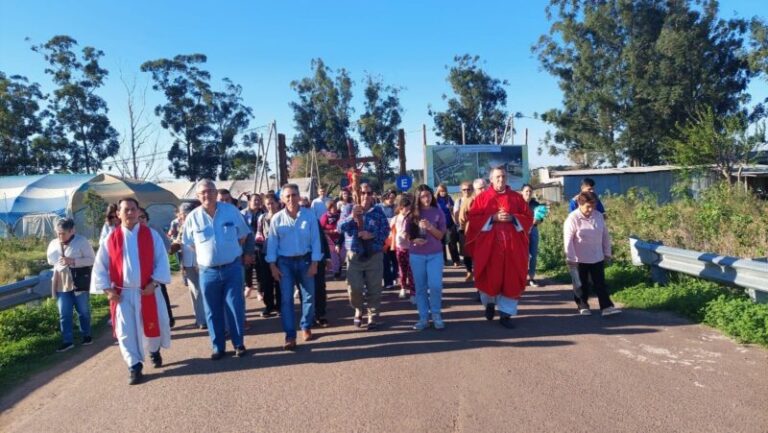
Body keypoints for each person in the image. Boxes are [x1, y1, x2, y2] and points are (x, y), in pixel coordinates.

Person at [91, 198, 172, 385]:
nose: (130, 213)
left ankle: (153, 351)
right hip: (123, 294)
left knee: (153, 324)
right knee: (125, 331)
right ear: (118, 214)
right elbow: (100, 266)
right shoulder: (110, 239)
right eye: (125, 210)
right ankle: (134, 366)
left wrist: (155, 283)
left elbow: (161, 261)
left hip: (147, 291)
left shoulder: (151, 235)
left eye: (133, 209)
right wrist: (107, 289)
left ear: (138, 212)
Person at [182, 179, 250, 360]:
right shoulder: (192, 218)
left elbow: (243, 235)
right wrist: (207, 256)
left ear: (216, 193)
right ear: (197, 196)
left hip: (232, 268)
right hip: (208, 271)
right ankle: (218, 346)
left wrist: (229, 252)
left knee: (235, 307)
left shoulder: (231, 211)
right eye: (203, 192)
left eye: (210, 191)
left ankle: (238, 344)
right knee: (212, 310)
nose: (207, 195)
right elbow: (189, 243)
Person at [465, 166, 533, 329]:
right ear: (491, 179)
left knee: (511, 278)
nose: (501, 180)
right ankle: (489, 304)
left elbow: (528, 218)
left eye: (503, 176)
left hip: (512, 248)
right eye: (497, 177)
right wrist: (492, 218)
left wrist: (514, 218)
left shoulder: (516, 198)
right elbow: (473, 218)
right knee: (490, 277)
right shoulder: (482, 198)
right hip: (490, 248)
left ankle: (505, 314)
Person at [265, 183, 323, 350]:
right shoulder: (276, 218)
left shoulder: (309, 215)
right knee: (286, 300)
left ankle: (305, 325)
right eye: (287, 196)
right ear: (282, 199)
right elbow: (272, 244)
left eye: (294, 195)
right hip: (284, 263)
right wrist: (272, 266)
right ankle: (290, 335)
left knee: (309, 297)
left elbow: (315, 240)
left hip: (305, 261)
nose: (291, 199)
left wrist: (314, 263)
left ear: (299, 196)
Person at [338, 183, 390, 329]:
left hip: (374, 254)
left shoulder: (378, 211)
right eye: (362, 192)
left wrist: (372, 235)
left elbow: (386, 231)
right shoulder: (348, 208)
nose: (366, 195)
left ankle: (372, 314)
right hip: (354, 255)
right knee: (354, 288)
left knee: (374, 287)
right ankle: (358, 308)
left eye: (369, 192)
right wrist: (351, 216)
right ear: (356, 193)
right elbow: (339, 228)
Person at [563, 191, 621, 316]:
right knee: (580, 284)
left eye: (593, 206)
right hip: (579, 258)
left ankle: (606, 307)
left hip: (597, 256)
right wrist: (570, 258)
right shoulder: (573, 218)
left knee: (600, 283)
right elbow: (568, 240)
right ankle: (582, 305)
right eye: (588, 206)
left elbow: (605, 235)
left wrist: (607, 252)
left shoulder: (598, 216)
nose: (591, 209)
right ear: (580, 204)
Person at [46, 217, 96, 352]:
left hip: (78, 280)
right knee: (64, 313)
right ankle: (67, 341)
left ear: (72, 231)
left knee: (83, 311)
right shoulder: (53, 243)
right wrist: (60, 262)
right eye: (57, 233)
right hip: (61, 282)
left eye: (62, 233)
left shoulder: (82, 241)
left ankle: (86, 335)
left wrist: (73, 261)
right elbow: (50, 260)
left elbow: (91, 260)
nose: (59, 236)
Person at [408, 185, 447, 330]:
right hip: (417, 255)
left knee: (435, 286)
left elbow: (441, 235)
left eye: (429, 195)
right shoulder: (412, 214)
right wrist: (413, 240)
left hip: (435, 255)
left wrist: (430, 227)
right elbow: (407, 235)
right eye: (423, 196)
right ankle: (423, 317)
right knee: (421, 288)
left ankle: (436, 314)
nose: (426, 198)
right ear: (418, 198)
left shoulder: (438, 212)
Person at [139, 207, 176, 328]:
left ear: (147, 219)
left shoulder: (153, 230)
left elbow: (166, 245)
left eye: (143, 217)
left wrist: (157, 258)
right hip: (139, 275)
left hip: (155, 270)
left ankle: (168, 318)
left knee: (162, 293)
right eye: (138, 217)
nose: (140, 220)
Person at [172, 203, 207, 329]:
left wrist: (198, 261)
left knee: (203, 291)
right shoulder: (182, 226)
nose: (180, 217)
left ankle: (205, 319)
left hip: (200, 262)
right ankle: (200, 319)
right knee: (194, 291)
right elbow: (179, 242)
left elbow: (197, 244)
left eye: (182, 215)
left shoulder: (198, 223)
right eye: (180, 215)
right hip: (189, 263)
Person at [255, 193, 282, 317]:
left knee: (280, 280)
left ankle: (281, 306)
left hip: (281, 253)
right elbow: (259, 234)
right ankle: (269, 306)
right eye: (268, 204)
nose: (270, 206)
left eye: (272, 203)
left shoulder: (283, 216)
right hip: (265, 252)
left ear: (277, 203)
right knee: (267, 280)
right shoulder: (262, 218)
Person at [521, 184, 548, 287]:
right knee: (522, 255)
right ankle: (521, 277)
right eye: (526, 191)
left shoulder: (536, 204)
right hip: (520, 231)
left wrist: (537, 220)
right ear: (522, 192)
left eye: (530, 191)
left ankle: (531, 278)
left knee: (533, 255)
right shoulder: (518, 203)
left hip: (533, 230)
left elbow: (541, 218)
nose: (528, 193)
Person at [242, 194, 265, 300]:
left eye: (259, 200)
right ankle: (249, 286)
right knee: (248, 267)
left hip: (261, 245)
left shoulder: (263, 213)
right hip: (247, 244)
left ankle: (260, 291)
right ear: (249, 202)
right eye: (255, 200)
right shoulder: (243, 214)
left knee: (260, 268)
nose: (257, 202)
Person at [392, 194, 416, 300]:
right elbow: (389, 229)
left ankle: (413, 292)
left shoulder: (413, 218)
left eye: (409, 208)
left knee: (412, 271)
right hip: (400, 247)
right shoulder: (396, 218)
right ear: (401, 208)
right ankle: (402, 288)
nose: (408, 210)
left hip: (411, 248)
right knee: (402, 269)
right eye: (406, 208)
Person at [377, 189, 399, 290]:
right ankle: (388, 281)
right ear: (385, 197)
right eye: (389, 197)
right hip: (383, 238)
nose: (391, 200)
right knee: (385, 261)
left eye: (393, 198)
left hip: (395, 238)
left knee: (396, 260)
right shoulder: (378, 208)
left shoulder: (396, 208)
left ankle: (394, 276)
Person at [455, 180, 477, 282]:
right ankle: (469, 271)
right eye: (464, 189)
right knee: (466, 252)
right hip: (465, 230)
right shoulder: (459, 201)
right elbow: (460, 217)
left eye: (469, 189)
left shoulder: (475, 199)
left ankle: (476, 272)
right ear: (461, 190)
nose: (467, 191)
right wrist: (461, 228)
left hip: (476, 230)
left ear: (472, 189)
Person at [435, 183, 461, 267]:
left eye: (444, 191)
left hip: (449, 223)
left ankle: (455, 260)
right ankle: (443, 260)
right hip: (439, 225)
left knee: (452, 242)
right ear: (438, 191)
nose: (443, 193)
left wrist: (451, 207)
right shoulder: (435, 200)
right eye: (441, 191)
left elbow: (454, 208)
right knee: (441, 244)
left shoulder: (448, 198)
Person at [320, 198, 343, 279]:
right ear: (329, 208)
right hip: (330, 239)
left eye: (335, 207)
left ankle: (339, 268)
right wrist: (331, 231)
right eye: (332, 208)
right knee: (334, 256)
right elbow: (321, 229)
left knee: (342, 255)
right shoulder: (325, 217)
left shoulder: (340, 215)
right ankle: (336, 273)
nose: (334, 209)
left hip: (340, 238)